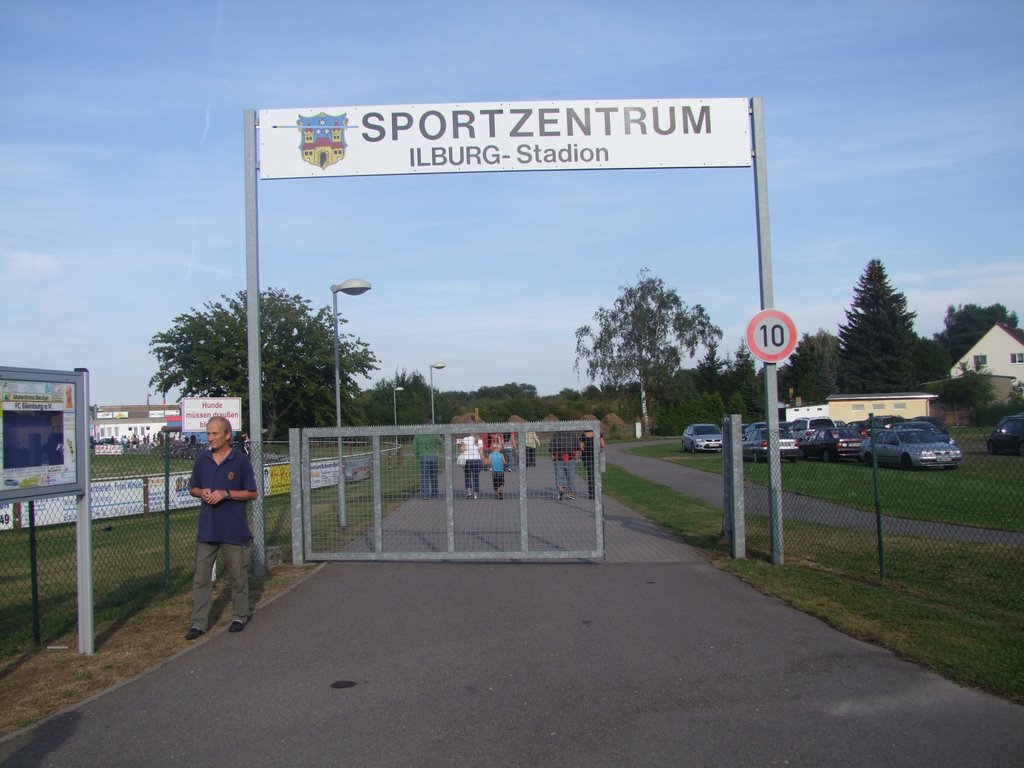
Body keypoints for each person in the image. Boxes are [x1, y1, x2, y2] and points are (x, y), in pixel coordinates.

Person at [185, 416, 258, 640]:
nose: (211, 438)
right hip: (208, 528)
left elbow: (252, 493)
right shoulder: (202, 460)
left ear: (227, 435)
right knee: (201, 577)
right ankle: (199, 623)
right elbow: (192, 488)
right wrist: (203, 492)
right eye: (208, 434)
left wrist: (226, 494)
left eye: (215, 433)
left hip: (233, 529)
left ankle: (239, 615)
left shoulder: (240, 461)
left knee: (237, 576)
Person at [412, 422, 443, 498]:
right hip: (433, 456)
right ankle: (434, 492)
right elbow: (441, 442)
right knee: (434, 476)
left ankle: (425, 494)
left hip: (423, 456)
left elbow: (414, 446)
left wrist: (418, 455)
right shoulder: (434, 433)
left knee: (424, 476)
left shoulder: (418, 434)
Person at [549, 430, 579, 500]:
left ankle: (560, 491)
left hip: (558, 458)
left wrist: (553, 455)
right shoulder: (572, 434)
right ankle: (570, 493)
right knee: (570, 476)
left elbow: (552, 446)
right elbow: (576, 446)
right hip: (570, 457)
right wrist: (576, 456)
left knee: (559, 476)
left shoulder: (556, 434)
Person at [579, 428, 605, 499]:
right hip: (597, 456)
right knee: (598, 474)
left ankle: (592, 493)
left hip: (588, 457)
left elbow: (581, 447)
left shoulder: (583, 435)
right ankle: (599, 491)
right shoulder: (598, 433)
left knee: (590, 475)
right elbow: (603, 445)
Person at [459, 433, 484, 500]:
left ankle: (469, 492)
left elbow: (461, 449)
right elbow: (481, 452)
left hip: (467, 461)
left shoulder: (466, 439)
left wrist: (465, 451)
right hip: (476, 461)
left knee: (467, 476)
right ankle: (475, 495)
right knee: (476, 477)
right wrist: (483, 460)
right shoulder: (479, 440)